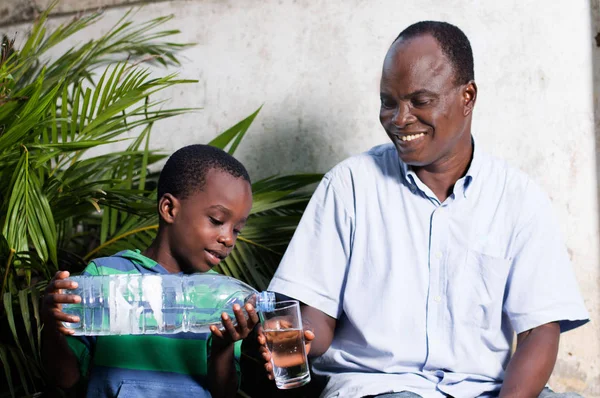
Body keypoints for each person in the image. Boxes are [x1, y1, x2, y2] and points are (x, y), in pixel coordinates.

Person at [260, 21, 590, 398]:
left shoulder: (518, 199)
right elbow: (313, 319)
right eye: (388, 102)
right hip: (380, 387)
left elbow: (538, 331)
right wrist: (290, 339)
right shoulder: (350, 186)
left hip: (485, 390)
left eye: (420, 101)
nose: (399, 119)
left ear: (467, 97)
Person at [42, 144, 257, 398]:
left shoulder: (220, 297)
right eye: (217, 221)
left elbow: (224, 394)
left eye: (236, 230)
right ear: (169, 209)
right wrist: (52, 325)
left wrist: (224, 347)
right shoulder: (105, 275)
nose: (228, 239)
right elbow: (66, 380)